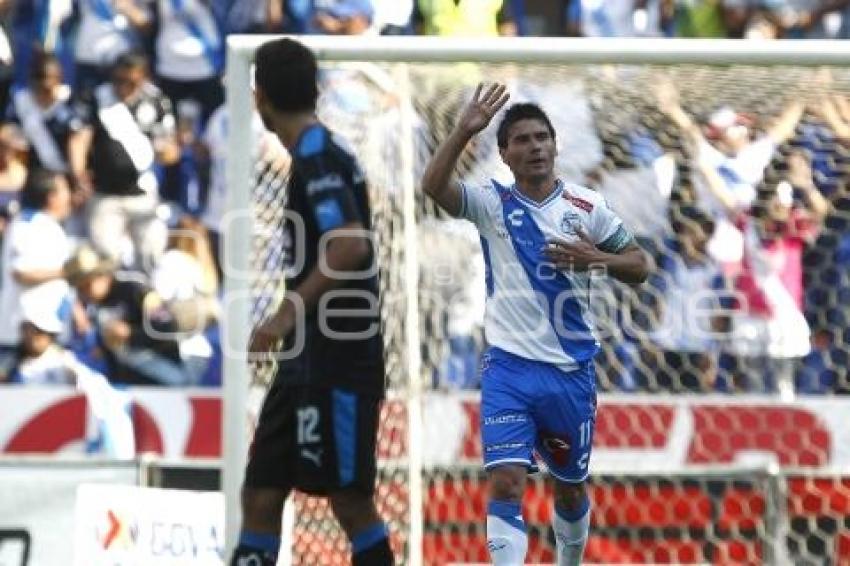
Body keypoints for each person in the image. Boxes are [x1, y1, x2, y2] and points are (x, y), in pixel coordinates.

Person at [420, 83, 649, 564]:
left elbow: (640, 265)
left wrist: (595, 259)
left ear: (555, 145)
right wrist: (464, 130)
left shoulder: (588, 207)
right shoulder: (489, 202)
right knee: (505, 479)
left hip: (569, 372)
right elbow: (434, 188)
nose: (535, 146)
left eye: (541, 137)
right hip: (508, 369)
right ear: (504, 154)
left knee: (568, 490)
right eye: (521, 140)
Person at [230, 38, 392, 566]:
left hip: (338, 357)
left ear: (259, 99)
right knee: (261, 493)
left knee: (349, 500)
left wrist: (282, 315)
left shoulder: (319, 153)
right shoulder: (315, 152)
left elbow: (349, 243)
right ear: (316, 91)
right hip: (305, 358)